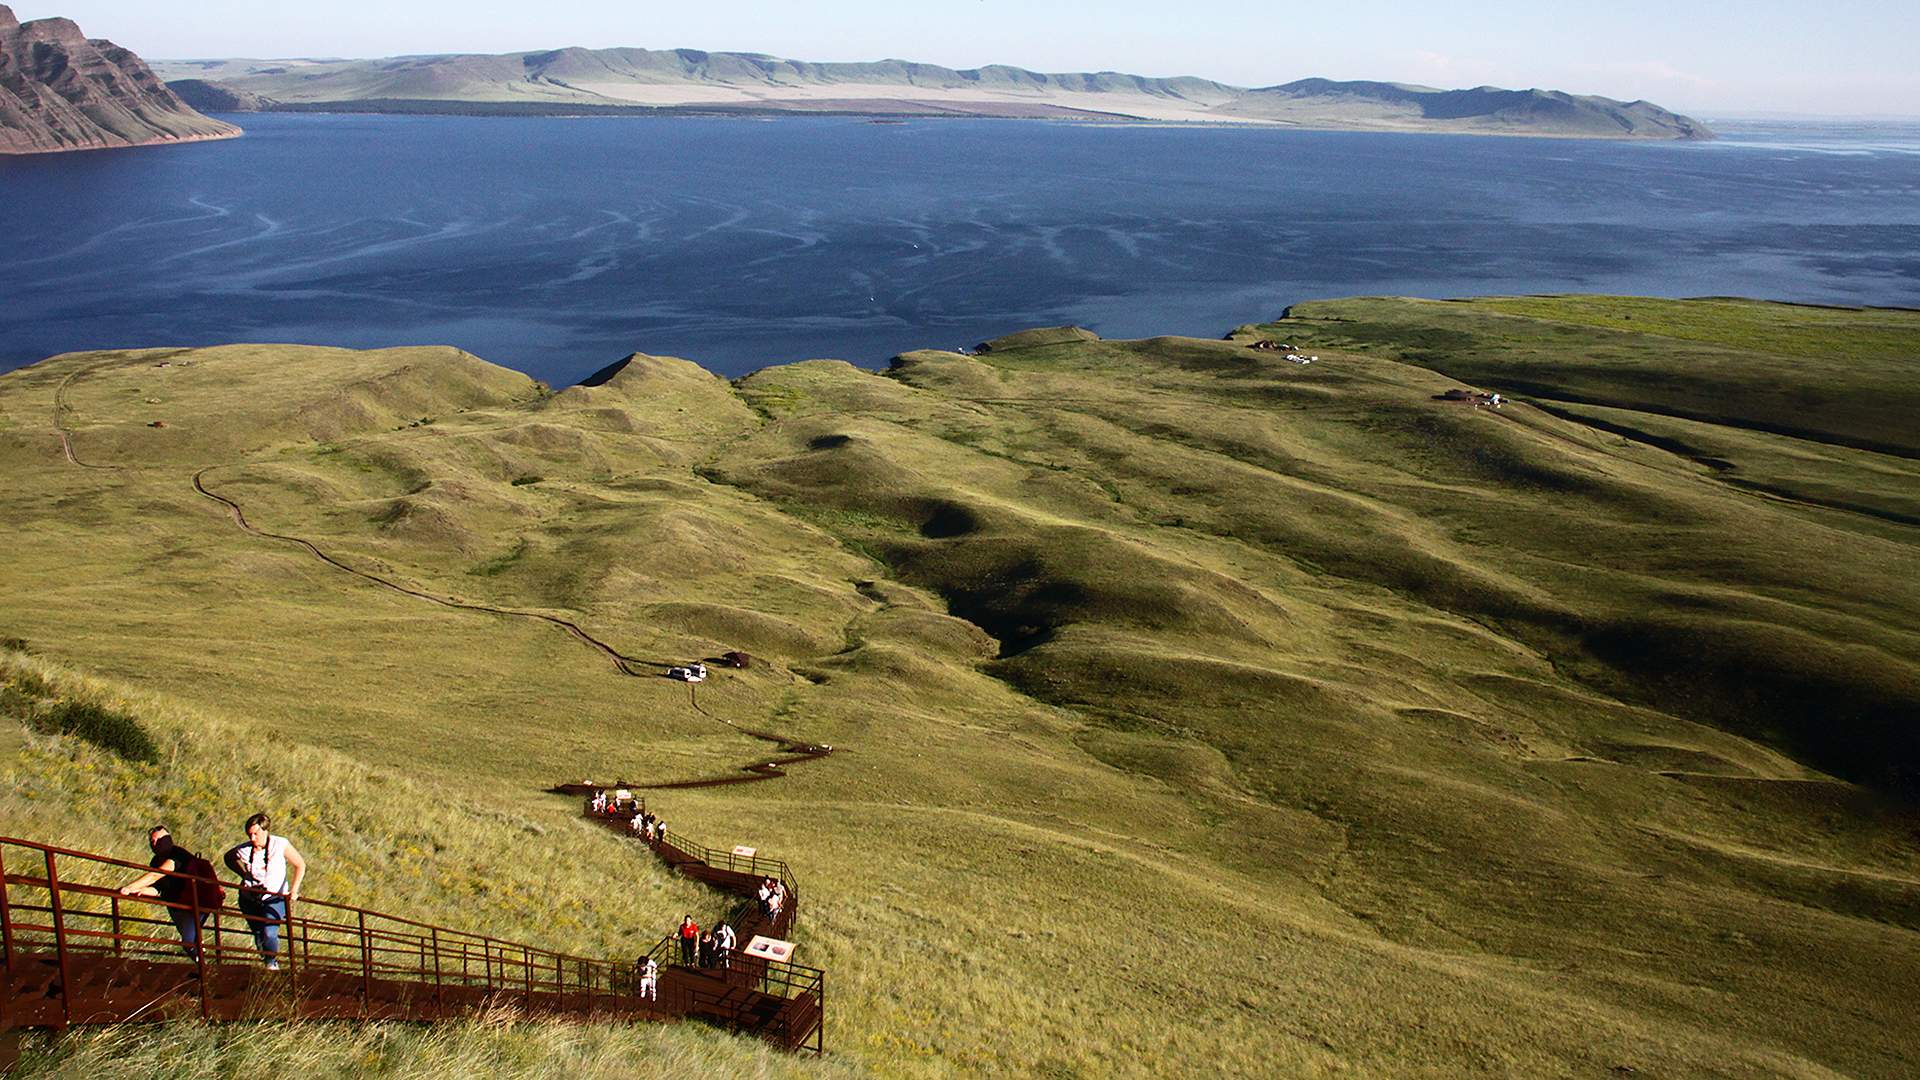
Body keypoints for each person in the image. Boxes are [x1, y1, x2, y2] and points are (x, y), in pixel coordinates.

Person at [224, 813, 306, 970]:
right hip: (250, 898)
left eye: (256, 834)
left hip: (274, 897)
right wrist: (244, 875)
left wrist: (294, 890)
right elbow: (228, 858)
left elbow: (300, 864)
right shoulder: (244, 849)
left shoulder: (280, 844)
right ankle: (266, 960)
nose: (253, 838)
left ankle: (271, 962)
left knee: (269, 931)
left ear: (265, 830)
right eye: (250, 835)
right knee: (258, 933)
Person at [118, 825, 207, 957]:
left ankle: (207, 969)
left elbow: (157, 875)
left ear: (168, 840)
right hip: (177, 905)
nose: (154, 844)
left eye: (159, 840)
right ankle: (205, 966)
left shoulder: (178, 856)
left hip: (194, 902)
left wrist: (130, 887)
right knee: (191, 941)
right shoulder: (155, 861)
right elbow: (158, 888)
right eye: (152, 841)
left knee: (189, 941)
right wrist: (141, 890)